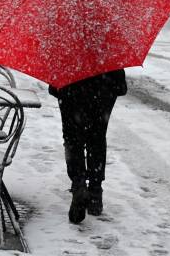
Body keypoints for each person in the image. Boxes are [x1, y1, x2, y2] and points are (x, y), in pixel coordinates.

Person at [48, 69, 127, 224]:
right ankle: (95, 192)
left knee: (72, 141)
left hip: (70, 84)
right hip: (105, 84)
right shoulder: (108, 46)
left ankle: (79, 184)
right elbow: (120, 87)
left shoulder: (67, 46)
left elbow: (54, 85)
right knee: (96, 139)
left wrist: (58, 85)